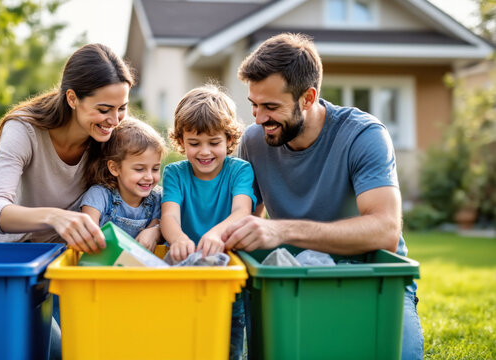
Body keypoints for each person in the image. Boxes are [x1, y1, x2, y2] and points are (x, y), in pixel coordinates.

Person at [221, 33, 423, 359]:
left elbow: (385, 231)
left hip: (370, 280)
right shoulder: (254, 141)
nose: (258, 119)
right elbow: (243, 219)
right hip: (291, 282)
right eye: (254, 105)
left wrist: (284, 230)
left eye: (271, 107)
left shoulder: (363, 135)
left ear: (308, 97)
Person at [0, 43, 141, 360]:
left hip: (55, 261)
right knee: (12, 350)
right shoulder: (24, 129)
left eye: (122, 108)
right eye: (103, 109)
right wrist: (54, 217)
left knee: (75, 349)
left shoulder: (110, 138)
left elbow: (145, 177)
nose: (115, 120)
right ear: (72, 98)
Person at [160, 85, 256, 360]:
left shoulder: (240, 170)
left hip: (226, 287)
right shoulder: (175, 173)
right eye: (194, 143)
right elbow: (169, 215)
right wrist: (177, 238)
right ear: (181, 141)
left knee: (228, 350)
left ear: (229, 139)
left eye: (214, 143)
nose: (204, 152)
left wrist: (216, 234)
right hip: (184, 279)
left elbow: (242, 212)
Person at [74, 117, 165, 251]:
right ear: (114, 168)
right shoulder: (99, 195)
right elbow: (88, 232)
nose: (149, 177)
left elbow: (162, 227)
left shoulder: (158, 197)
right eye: (139, 169)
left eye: (155, 168)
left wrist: (155, 231)